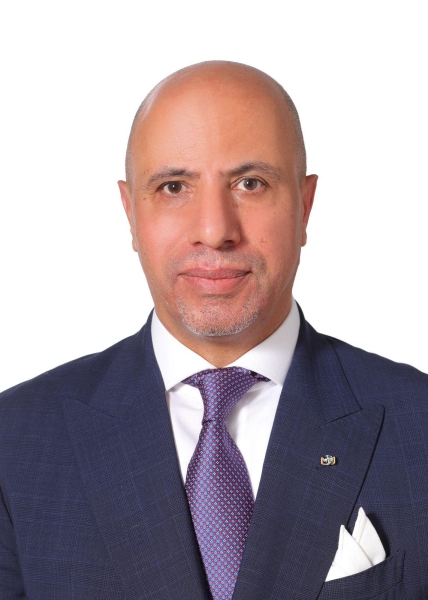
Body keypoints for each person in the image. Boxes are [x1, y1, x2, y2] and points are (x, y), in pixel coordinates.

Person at [0, 61, 427, 600]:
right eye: (174, 187)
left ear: (304, 206)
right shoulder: (14, 442)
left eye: (251, 184)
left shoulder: (419, 426)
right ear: (130, 214)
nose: (214, 230)